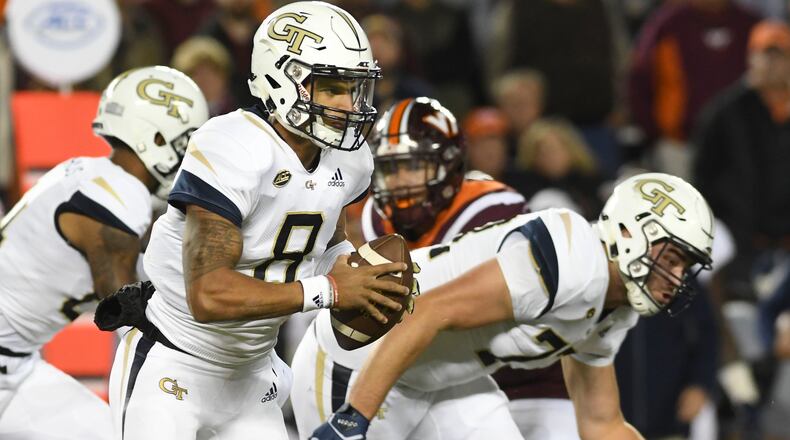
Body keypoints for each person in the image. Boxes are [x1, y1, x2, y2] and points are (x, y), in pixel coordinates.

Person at [104, 3, 409, 439]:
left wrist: (361, 272)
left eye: (355, 89)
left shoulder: (350, 158)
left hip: (253, 374)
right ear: (284, 81)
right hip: (174, 360)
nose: (348, 104)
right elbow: (208, 294)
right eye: (331, 88)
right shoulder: (235, 145)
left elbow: (324, 243)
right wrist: (333, 290)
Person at [308, 172, 715, 440]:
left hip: (444, 380)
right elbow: (429, 312)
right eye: (673, 258)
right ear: (630, 232)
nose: (677, 277)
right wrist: (353, 417)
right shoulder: (572, 260)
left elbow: (601, 423)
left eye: (686, 266)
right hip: (364, 354)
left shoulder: (616, 302)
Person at [292, 96, 557, 439]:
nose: (401, 182)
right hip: (361, 365)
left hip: (451, 370)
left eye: (413, 166)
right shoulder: (377, 214)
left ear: (449, 163)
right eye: (391, 169)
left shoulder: (492, 209)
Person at [0, 66, 208, 439]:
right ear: (156, 137)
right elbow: (125, 309)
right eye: (184, 143)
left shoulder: (93, 174)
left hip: (17, 363)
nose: (187, 157)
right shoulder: (120, 196)